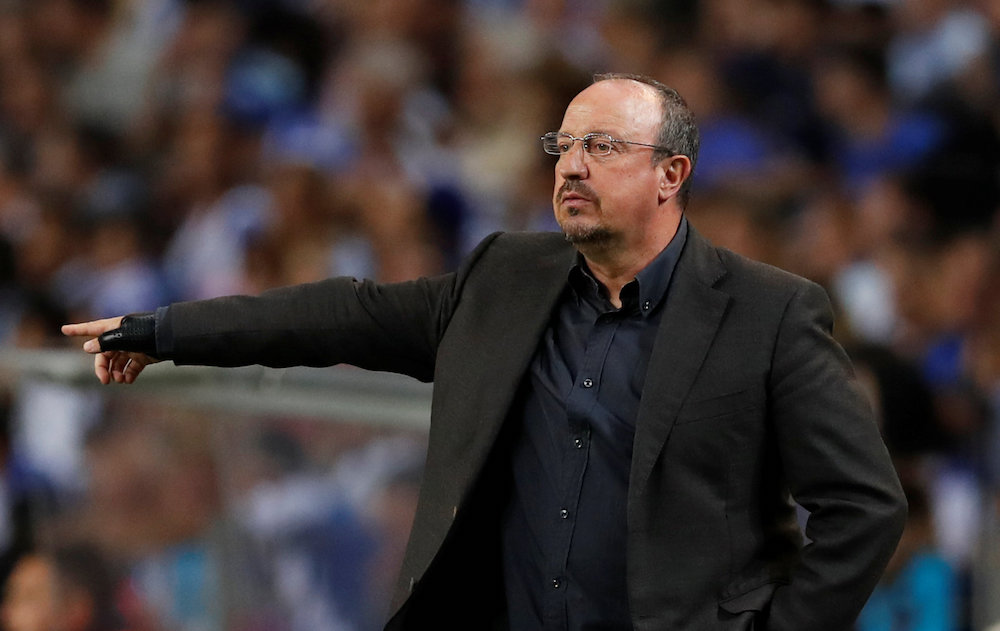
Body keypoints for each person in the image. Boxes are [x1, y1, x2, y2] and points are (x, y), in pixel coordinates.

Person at [63, 73, 907, 630]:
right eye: (563, 147)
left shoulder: (770, 312)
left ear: (671, 174)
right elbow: (341, 316)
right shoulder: (505, 276)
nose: (571, 166)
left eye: (602, 147)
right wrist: (165, 331)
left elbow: (865, 506)